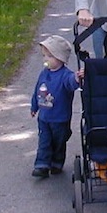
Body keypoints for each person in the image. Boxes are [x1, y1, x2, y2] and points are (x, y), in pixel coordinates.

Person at [30, 35, 81, 178]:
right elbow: (37, 90)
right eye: (44, 56)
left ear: (60, 58)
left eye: (50, 56)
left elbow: (71, 84)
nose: (45, 59)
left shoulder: (66, 75)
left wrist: (77, 78)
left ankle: (57, 163)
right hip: (44, 117)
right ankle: (42, 165)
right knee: (44, 141)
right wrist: (34, 106)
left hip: (60, 118)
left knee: (59, 142)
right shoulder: (44, 74)